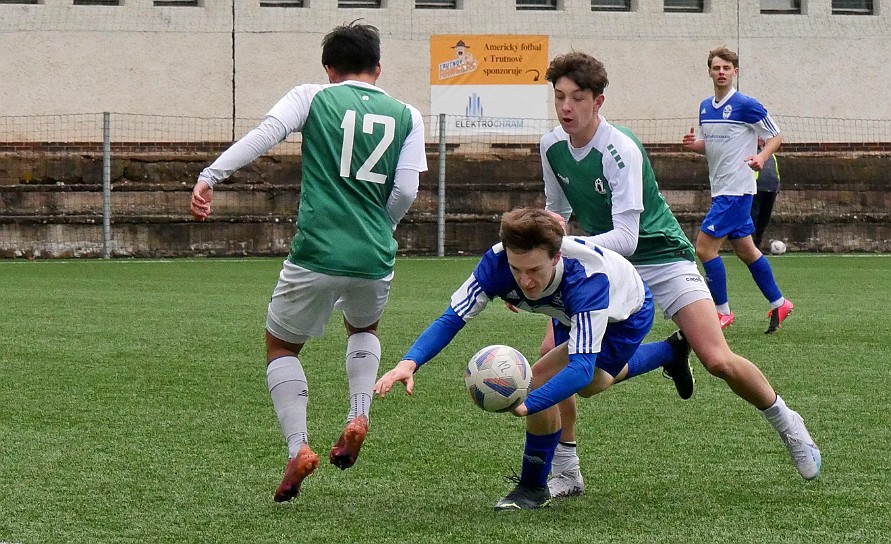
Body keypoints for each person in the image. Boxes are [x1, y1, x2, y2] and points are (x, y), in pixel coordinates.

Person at [539, 51, 820, 498]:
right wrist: (538, 253)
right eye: (559, 98)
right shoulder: (551, 146)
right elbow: (558, 214)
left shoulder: (620, 148)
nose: (566, 108)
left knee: (717, 360)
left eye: (577, 98)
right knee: (575, 373)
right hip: (607, 263)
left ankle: (787, 421)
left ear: (599, 101)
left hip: (662, 257)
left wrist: (566, 248)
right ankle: (568, 471)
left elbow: (629, 237)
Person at [189, 21, 428, 502]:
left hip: (316, 250)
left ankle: (299, 447)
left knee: (281, 348)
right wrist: (383, 227)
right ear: (377, 68)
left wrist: (210, 175)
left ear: (328, 69)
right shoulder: (407, 114)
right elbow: (406, 190)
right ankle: (358, 414)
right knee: (363, 331)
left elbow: (265, 134)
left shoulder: (312, 96)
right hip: (374, 254)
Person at [374, 208, 694, 511]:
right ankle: (671, 352)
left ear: (557, 257)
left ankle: (533, 486)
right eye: (517, 270)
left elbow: (580, 369)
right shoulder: (497, 263)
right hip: (567, 311)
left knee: (584, 383)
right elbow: (451, 319)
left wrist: (529, 402)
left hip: (622, 313)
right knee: (556, 375)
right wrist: (409, 362)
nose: (525, 281)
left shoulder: (587, 280)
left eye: (534, 270)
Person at [682, 46, 793, 333]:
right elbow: (714, 144)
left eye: (726, 68)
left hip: (737, 190)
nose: (721, 72)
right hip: (721, 189)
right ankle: (779, 302)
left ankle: (722, 312)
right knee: (747, 251)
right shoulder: (705, 106)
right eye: (716, 68)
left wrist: (761, 157)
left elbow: (775, 135)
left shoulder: (746, 104)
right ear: (709, 71)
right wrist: (696, 146)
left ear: (735, 72)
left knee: (704, 249)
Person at [750, 139, 781, 249]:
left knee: (764, 219)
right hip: (756, 189)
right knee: (753, 216)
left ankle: (757, 244)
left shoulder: (770, 154)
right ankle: (751, 246)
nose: (759, 139)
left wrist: (777, 185)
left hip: (771, 189)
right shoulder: (750, 152)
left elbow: (775, 171)